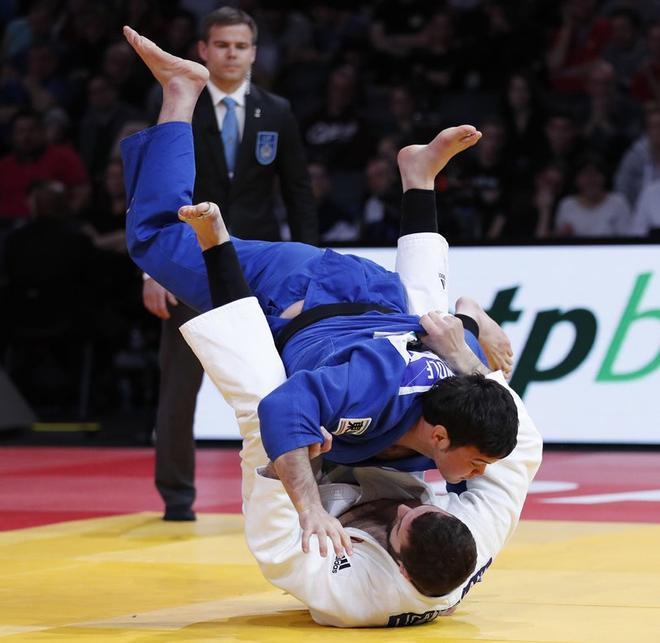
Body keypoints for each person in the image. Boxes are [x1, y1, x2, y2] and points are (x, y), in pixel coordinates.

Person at [120, 26, 517, 553]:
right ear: (440, 439)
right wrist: (310, 512)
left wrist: (472, 322)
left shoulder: (462, 413)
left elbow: (484, 385)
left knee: (433, 315)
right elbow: (284, 409)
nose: (476, 474)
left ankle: (419, 180)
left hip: (379, 295)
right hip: (301, 290)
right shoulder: (370, 391)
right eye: (477, 463)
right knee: (153, 239)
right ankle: (182, 90)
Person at [174, 214, 543, 628]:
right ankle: (458, 295)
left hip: (332, 482)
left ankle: (216, 252)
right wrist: (465, 359)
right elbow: (523, 447)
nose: (406, 508)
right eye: (420, 509)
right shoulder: (475, 535)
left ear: (398, 566)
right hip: (378, 456)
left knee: (260, 401)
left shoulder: (349, 594)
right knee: (427, 337)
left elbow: (276, 545)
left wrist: (294, 478)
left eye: (402, 520)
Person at [143, 7, 318, 521]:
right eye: (222, 45)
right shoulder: (181, 106)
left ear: (254, 52)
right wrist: (152, 268)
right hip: (189, 263)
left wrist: (310, 265)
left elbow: (298, 194)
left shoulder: (276, 110)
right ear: (203, 49)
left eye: (240, 46)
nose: (231, 54)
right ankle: (177, 500)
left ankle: (301, 489)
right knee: (179, 384)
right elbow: (153, 187)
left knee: (288, 377)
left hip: (260, 269)